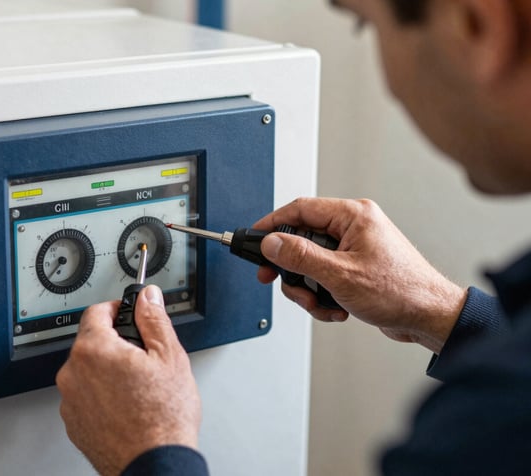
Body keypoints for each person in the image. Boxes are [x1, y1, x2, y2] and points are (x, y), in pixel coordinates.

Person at [56, 0, 531, 474]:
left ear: (477, 26)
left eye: (368, 25)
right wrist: (442, 314)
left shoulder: (491, 426)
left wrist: (151, 451)